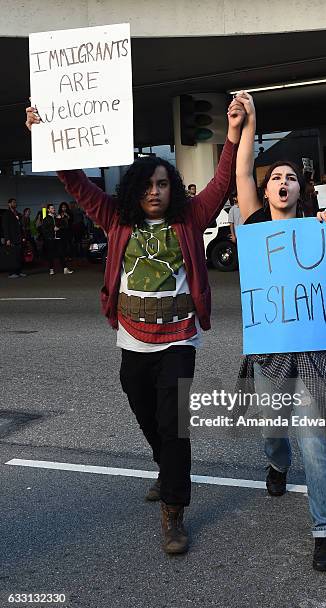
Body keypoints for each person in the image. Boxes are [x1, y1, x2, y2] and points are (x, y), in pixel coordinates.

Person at [27, 97, 245, 555]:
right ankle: (164, 466)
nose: (155, 192)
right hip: (133, 338)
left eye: (163, 184)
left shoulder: (190, 218)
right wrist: (43, 135)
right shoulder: (115, 219)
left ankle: (173, 511)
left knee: (175, 427)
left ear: (173, 189)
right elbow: (76, 183)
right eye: (147, 185)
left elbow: (223, 183)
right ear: (133, 190)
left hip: (180, 339)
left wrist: (233, 132)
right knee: (145, 411)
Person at [233, 91, 326, 572]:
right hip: (270, 355)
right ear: (265, 193)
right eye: (276, 178)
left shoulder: (317, 230)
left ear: (303, 192)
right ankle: (275, 464)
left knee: (313, 439)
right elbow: (241, 172)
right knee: (272, 429)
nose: (284, 183)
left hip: (313, 357)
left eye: (292, 179)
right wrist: (249, 123)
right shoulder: (256, 224)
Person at [40, 204, 74, 275]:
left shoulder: (57, 217)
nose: (54, 209)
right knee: (50, 254)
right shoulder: (46, 218)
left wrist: (60, 219)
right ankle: (51, 269)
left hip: (58, 238)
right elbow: (43, 230)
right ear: (48, 210)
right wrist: (52, 230)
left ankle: (65, 269)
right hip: (50, 239)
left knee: (61, 253)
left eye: (54, 208)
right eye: (52, 208)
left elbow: (64, 225)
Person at [2, 198, 26, 278]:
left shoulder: (17, 214)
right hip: (11, 238)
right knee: (12, 256)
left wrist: (23, 236)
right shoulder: (7, 214)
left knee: (19, 255)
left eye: (15, 202)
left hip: (18, 237)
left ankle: (19, 272)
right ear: (9, 204)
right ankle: (12, 273)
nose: (15, 204)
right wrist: (7, 239)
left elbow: (20, 226)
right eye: (13, 202)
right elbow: (5, 227)